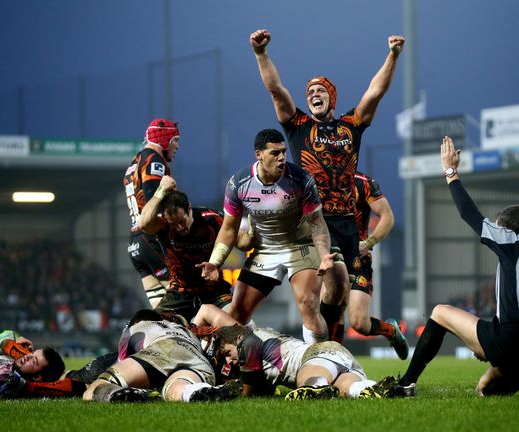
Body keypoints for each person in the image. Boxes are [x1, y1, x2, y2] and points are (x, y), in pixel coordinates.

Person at [250, 28, 405, 340]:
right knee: (328, 285)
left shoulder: (351, 126)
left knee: (340, 296)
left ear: (331, 97)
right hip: (313, 220)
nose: (312, 95)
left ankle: (331, 352)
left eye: (319, 91)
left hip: (347, 222)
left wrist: (393, 56)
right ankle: (320, 348)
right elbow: (276, 90)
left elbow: (375, 92)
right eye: (309, 93)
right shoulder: (298, 127)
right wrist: (261, 54)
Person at [391, 136, 519, 397]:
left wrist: (450, 172)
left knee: (439, 312)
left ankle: (406, 384)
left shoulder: (512, 241)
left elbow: (468, 213)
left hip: (511, 342)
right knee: (485, 389)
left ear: (506, 229)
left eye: (497, 226)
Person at [201, 129, 335, 344]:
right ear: (259, 154)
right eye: (275, 153)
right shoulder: (238, 184)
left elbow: (317, 223)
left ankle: (321, 361)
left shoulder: (301, 179)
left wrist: (324, 255)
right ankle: (247, 359)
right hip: (265, 250)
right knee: (237, 313)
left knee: (307, 304)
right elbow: (228, 230)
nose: (282, 157)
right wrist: (215, 263)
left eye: (283, 152)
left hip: (300, 246)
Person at [138, 175, 251, 321]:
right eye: (174, 224)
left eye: (182, 221)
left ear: (189, 209)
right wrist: (161, 190)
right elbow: (143, 223)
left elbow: (243, 243)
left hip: (214, 292)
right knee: (152, 325)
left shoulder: (212, 219)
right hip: (179, 294)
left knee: (242, 325)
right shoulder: (164, 225)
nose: (179, 227)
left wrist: (255, 229)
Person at [83, 309, 242, 403]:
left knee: (96, 387)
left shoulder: (137, 327)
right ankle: (195, 391)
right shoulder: (185, 330)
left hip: (162, 349)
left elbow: (122, 360)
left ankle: (115, 393)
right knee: (176, 388)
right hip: (198, 360)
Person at [212, 324, 396, 400]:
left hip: (317, 356)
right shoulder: (261, 335)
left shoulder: (249, 341)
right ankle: (370, 387)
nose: (229, 361)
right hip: (336, 358)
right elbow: (264, 388)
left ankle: (316, 387)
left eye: (227, 353)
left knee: (308, 381)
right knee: (346, 388)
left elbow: (250, 391)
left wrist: (232, 391)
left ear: (237, 338)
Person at [347, 171, 408, 359]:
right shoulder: (315, 181)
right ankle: (331, 365)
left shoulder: (362, 182)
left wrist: (368, 243)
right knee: (328, 313)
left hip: (358, 259)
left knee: (359, 323)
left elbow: (387, 216)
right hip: (328, 257)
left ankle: (391, 331)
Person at [123, 119, 181, 308]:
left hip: (135, 243)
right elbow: (152, 203)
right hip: (153, 239)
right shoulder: (153, 160)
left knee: (162, 310)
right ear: (164, 139)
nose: (177, 146)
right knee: (184, 298)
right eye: (175, 140)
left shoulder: (134, 162)